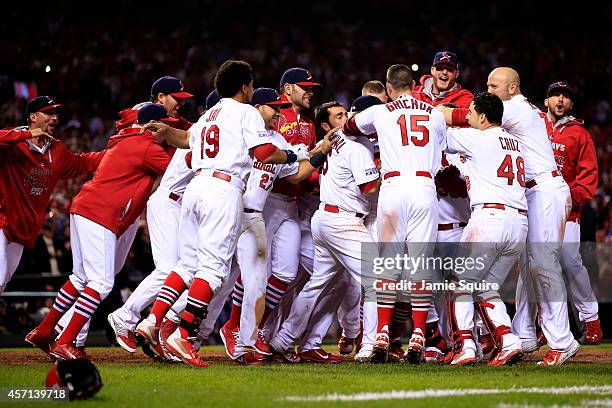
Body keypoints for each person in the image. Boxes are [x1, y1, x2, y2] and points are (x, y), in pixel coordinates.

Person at [135, 60, 300, 367]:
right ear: (244, 86)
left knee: (187, 265)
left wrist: (167, 130)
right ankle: (182, 335)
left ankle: (152, 321)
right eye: (250, 84)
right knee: (213, 271)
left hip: (195, 188)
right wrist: (291, 154)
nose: (251, 89)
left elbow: (184, 140)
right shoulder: (246, 112)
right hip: (223, 189)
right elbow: (263, 153)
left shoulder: (210, 113)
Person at [440, 67, 580, 366]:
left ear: (513, 88)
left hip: (542, 189)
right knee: (527, 267)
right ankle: (521, 335)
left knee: (542, 264)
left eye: (494, 86)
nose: (489, 91)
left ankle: (562, 340)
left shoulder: (513, 109)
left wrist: (436, 110)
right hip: (524, 200)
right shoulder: (510, 126)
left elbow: (465, 118)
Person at [26, 103, 175, 360]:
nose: (167, 132)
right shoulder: (146, 147)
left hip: (83, 208)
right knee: (102, 283)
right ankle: (65, 340)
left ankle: (44, 330)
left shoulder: (125, 140)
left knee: (79, 277)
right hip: (100, 213)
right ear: (154, 126)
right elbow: (181, 169)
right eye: (165, 128)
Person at [218, 88, 335, 364]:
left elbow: (297, 174)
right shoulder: (244, 136)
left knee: (285, 273)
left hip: (281, 207)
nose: (278, 112)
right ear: (257, 108)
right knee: (249, 274)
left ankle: (256, 330)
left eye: (281, 107)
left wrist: (320, 151)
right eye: (273, 107)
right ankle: (233, 326)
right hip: (253, 210)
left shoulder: (278, 138)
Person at [344, 64, 447, 364]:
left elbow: (350, 126)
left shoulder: (380, 112)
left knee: (387, 265)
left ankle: (383, 333)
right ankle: (417, 335)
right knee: (420, 264)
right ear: (414, 84)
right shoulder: (435, 113)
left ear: (389, 87)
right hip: (424, 187)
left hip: (392, 186)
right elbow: (441, 155)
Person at [269, 98, 380, 363]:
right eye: (339, 115)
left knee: (320, 283)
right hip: (343, 222)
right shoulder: (354, 147)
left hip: (325, 219)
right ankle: (370, 345)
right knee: (378, 279)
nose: (345, 119)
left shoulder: (333, 142)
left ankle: (284, 340)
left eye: (346, 114)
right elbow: (370, 189)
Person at [445, 92, 527, 366]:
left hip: (489, 218)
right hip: (518, 223)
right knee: (485, 287)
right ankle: (509, 341)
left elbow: (436, 128)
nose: (467, 118)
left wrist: (443, 112)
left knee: (459, 284)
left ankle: (465, 345)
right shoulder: (516, 142)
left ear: (482, 116)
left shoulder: (478, 137)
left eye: (470, 113)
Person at [1, 96, 104, 294]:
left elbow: (82, 163)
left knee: (3, 282)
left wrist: (116, 151)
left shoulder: (57, 149)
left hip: (23, 229)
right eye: (48, 113)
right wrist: (25, 135)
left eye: (55, 113)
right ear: (32, 117)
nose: (54, 117)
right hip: (2, 219)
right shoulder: (14, 142)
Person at [258, 68, 321, 334]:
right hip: (265, 200)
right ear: (287, 89)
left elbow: (305, 169)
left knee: (285, 273)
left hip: (294, 204)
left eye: (311, 87)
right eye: (304, 87)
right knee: (250, 274)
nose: (310, 91)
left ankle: (262, 332)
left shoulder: (308, 122)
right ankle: (193, 330)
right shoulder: (272, 117)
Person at [544, 81, 601, 345]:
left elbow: (588, 174)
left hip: (567, 211)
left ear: (571, 104)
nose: (560, 100)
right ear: (546, 101)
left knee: (570, 262)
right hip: (538, 208)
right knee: (539, 268)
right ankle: (545, 325)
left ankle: (591, 319)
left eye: (565, 97)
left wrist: (572, 199)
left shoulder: (579, 134)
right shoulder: (536, 128)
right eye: (555, 95)